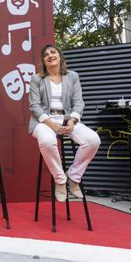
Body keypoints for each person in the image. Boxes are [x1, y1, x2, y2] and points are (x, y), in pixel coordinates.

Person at [28, 44, 100, 202]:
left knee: (93, 140)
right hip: (43, 121)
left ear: (60, 56)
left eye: (53, 52)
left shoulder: (72, 76)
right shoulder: (36, 79)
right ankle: (60, 180)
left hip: (67, 119)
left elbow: (79, 103)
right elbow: (34, 106)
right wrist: (50, 124)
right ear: (43, 61)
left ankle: (74, 176)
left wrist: (73, 120)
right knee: (47, 140)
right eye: (46, 54)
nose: (50, 55)